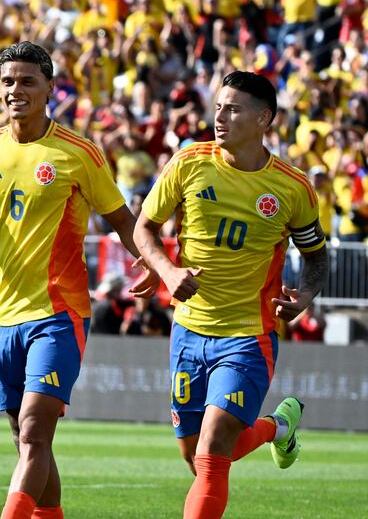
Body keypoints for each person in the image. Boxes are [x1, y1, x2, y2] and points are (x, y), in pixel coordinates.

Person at [0, 42, 146, 519]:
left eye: (27, 81)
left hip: (59, 311)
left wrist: (155, 265)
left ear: (50, 88)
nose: (16, 90)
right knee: (26, 439)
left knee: (35, 431)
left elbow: (122, 218)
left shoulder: (78, 153)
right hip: (4, 314)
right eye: (9, 81)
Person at [134, 71, 329, 519]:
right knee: (196, 455)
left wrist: (306, 296)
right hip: (187, 331)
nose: (220, 116)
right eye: (218, 106)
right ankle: (279, 427)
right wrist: (166, 270)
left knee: (213, 447)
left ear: (264, 119)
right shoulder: (188, 163)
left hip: (248, 335)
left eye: (233, 108)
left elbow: (316, 256)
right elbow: (144, 227)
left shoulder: (291, 187)